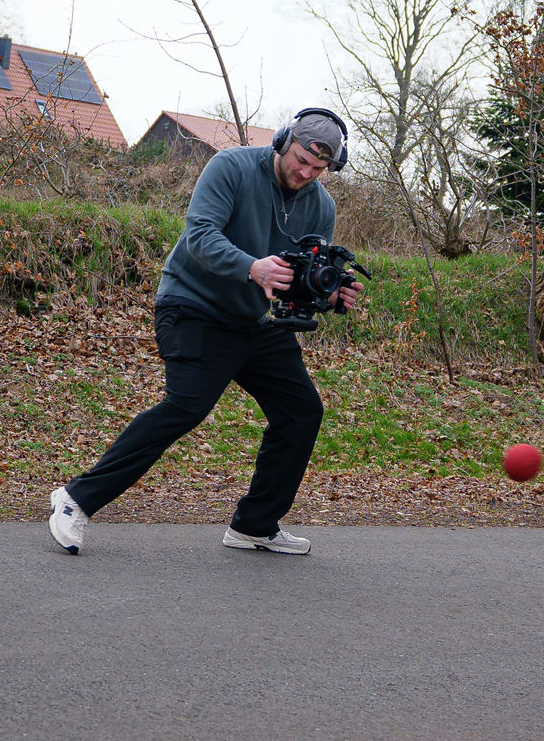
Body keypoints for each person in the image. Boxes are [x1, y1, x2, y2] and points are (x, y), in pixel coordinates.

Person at [47, 107, 363, 557]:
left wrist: (328, 295)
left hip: (254, 322)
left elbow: (302, 279)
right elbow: (200, 235)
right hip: (192, 305)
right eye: (301, 160)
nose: (305, 173)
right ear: (282, 141)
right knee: (187, 405)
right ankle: (75, 499)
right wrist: (251, 267)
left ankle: (255, 525)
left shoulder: (321, 206)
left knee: (302, 411)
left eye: (318, 169)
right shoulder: (231, 166)